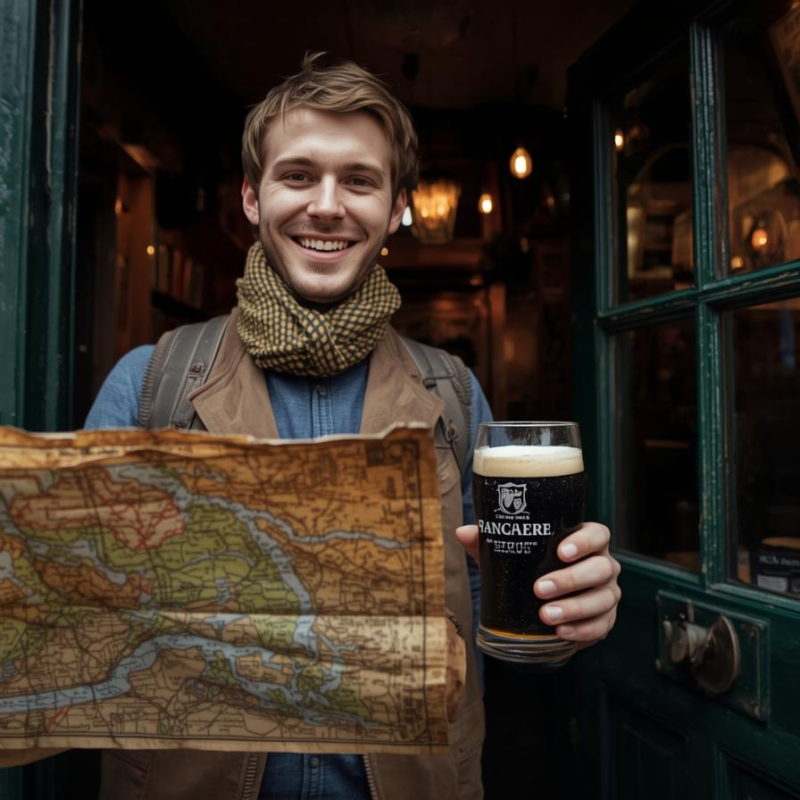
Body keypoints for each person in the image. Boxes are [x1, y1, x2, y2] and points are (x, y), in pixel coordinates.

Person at [6, 53, 621, 799]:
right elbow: (60, 628)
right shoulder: (150, 384)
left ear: (398, 207)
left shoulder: (453, 396)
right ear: (251, 198)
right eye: (297, 175)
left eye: (359, 180)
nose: (326, 205)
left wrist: (566, 611)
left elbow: (497, 628)